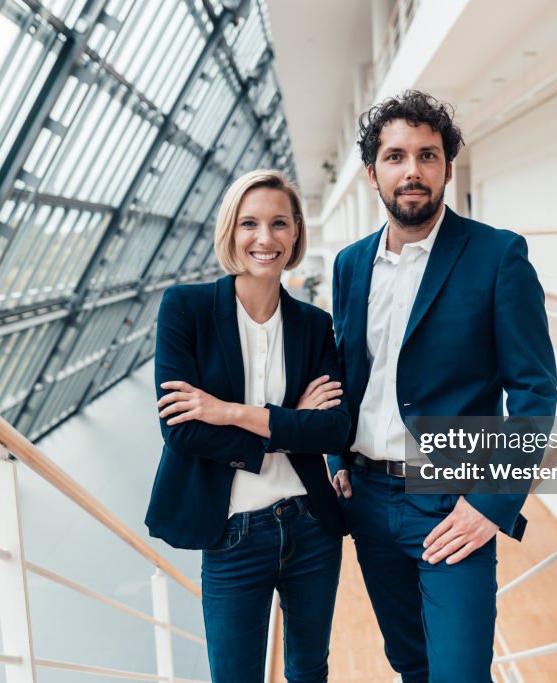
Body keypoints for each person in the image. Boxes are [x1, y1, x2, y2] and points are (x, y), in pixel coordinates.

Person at [328, 91, 557, 682]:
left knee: (459, 673)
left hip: (451, 500)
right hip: (369, 502)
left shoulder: (497, 256)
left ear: (448, 169)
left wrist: (490, 501)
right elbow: (349, 375)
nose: (412, 171)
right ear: (373, 172)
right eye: (396, 156)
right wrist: (336, 455)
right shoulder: (350, 265)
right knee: (411, 663)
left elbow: (534, 391)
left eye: (428, 156)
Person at [146, 169, 349, 683]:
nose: (265, 238)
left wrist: (231, 411)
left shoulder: (313, 325)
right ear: (230, 232)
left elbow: (335, 430)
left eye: (280, 223)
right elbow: (183, 430)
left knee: (309, 670)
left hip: (311, 525)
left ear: (296, 232)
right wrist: (288, 423)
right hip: (233, 533)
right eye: (249, 223)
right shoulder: (185, 309)